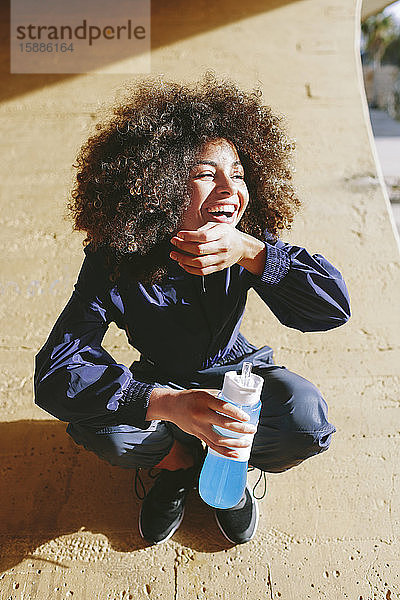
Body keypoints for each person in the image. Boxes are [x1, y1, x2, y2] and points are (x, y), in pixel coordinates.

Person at [34, 73, 350, 546]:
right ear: (158, 184)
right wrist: (163, 402)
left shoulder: (248, 245)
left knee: (306, 419)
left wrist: (254, 253)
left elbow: (333, 307)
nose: (231, 189)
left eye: (239, 174)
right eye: (206, 174)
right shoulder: (114, 260)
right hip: (160, 379)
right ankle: (176, 464)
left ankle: (230, 464)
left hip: (237, 370)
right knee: (108, 432)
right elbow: (56, 370)